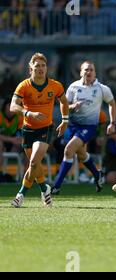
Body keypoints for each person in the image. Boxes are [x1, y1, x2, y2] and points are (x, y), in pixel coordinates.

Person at [10, 52, 69, 208]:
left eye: (43, 65)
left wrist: (65, 120)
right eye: (37, 66)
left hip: (45, 129)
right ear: (31, 69)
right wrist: (28, 113)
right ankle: (45, 189)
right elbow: (13, 106)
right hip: (28, 130)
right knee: (34, 165)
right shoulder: (24, 86)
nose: (41, 69)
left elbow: (63, 101)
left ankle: (20, 195)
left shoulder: (55, 85)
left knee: (34, 161)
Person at [51, 61, 116, 195]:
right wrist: (73, 106)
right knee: (81, 155)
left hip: (89, 127)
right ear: (81, 72)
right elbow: (64, 105)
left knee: (68, 150)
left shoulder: (101, 88)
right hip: (73, 126)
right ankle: (97, 174)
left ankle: (56, 185)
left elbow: (112, 104)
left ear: (95, 72)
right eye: (86, 70)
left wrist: (112, 123)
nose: (89, 72)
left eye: (91, 70)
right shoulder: (73, 87)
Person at [0, 101, 24, 182]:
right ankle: (0, 174)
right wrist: (11, 140)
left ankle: (28, 175)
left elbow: (23, 133)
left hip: (14, 144)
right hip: (3, 142)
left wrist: (21, 140)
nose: (11, 109)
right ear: (4, 108)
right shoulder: (0, 116)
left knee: (27, 145)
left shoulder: (19, 117)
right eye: (9, 106)